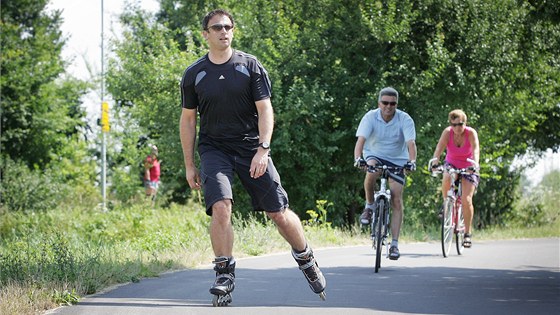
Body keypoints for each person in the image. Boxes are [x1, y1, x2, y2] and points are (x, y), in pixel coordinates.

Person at [179, 9, 326, 303]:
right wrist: (189, 164)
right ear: (205, 34)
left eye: (228, 27)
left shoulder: (250, 66)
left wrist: (263, 149)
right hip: (214, 148)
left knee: (279, 214)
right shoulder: (194, 74)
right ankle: (224, 272)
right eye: (217, 27)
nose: (224, 31)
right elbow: (188, 120)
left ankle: (306, 258)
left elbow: (265, 110)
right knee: (220, 206)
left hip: (251, 148)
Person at [353, 87, 417, 260]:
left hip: (398, 159)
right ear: (379, 103)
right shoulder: (370, 117)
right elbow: (361, 141)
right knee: (371, 170)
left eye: (393, 103)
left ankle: (394, 244)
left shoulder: (404, 119)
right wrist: (358, 159)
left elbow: (411, 143)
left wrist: (412, 162)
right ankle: (369, 206)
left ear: (396, 104)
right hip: (375, 154)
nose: (389, 106)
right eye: (385, 103)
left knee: (396, 198)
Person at [430, 109, 480, 248]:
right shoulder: (448, 132)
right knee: (446, 175)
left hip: (469, 165)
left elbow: (476, 149)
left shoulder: (471, 133)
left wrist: (475, 164)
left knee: (466, 199)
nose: (457, 128)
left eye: (460, 124)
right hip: (452, 163)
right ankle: (447, 204)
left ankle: (467, 234)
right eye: (454, 124)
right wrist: (435, 162)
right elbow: (439, 148)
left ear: (465, 123)